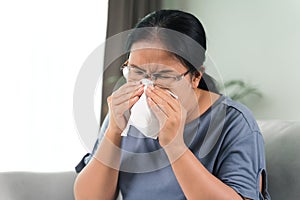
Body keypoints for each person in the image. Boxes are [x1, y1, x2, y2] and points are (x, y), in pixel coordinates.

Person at [74, 10, 270, 200]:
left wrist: (175, 145)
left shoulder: (234, 122)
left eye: (163, 75)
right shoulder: (124, 113)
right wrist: (113, 133)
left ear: (195, 76)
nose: (146, 85)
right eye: (136, 72)